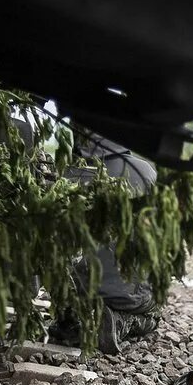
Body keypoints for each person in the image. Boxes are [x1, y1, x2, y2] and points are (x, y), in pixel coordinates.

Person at [53, 134, 162, 354]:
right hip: (128, 295)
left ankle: (74, 324)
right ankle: (121, 322)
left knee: (69, 313)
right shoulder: (144, 171)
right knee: (153, 314)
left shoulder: (63, 173)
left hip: (78, 290)